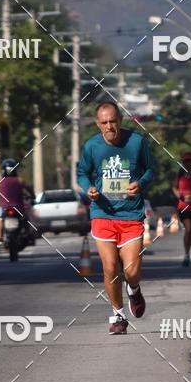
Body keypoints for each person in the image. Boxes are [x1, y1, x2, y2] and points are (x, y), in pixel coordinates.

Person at [77, 101, 155, 335]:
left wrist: (139, 184)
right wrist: (88, 187)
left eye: (113, 121)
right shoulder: (91, 146)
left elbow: (151, 169)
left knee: (130, 271)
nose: (109, 126)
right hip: (103, 214)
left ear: (120, 120)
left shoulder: (137, 142)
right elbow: (82, 172)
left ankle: (134, 288)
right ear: (98, 124)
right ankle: (118, 315)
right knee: (110, 267)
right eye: (104, 122)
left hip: (131, 214)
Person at [0, 158, 34, 240]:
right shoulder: (20, 180)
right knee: (25, 217)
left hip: (4, 208)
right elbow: (29, 189)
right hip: (18, 207)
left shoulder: (0, 182)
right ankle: (27, 234)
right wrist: (32, 195)